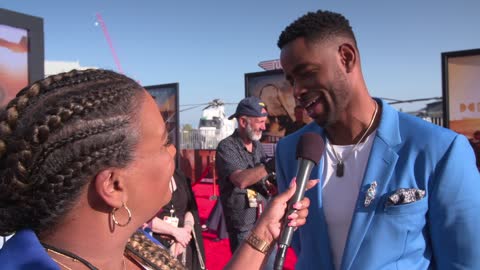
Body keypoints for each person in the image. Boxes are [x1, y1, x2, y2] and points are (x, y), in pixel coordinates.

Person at [0, 69, 316, 270]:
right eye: (164, 143)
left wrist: (264, 230)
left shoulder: (138, 246)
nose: (174, 152)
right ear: (113, 185)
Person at [275, 10, 480, 270]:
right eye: (291, 80)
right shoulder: (290, 151)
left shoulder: (439, 149)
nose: (297, 91)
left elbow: (464, 261)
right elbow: (303, 248)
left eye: (306, 73)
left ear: (346, 57)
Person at [215, 96, 277, 268]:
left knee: (269, 265)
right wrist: (271, 164)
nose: (264, 127)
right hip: (243, 225)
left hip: (264, 219)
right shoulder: (226, 147)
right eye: (260, 122)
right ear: (243, 121)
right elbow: (241, 180)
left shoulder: (257, 147)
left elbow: (261, 178)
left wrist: (271, 183)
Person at [149, 169, 206, 270]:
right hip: (154, 247)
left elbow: (190, 209)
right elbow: (139, 219)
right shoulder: (143, 178)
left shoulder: (180, 176)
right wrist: (175, 232)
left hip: (183, 244)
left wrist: (185, 233)